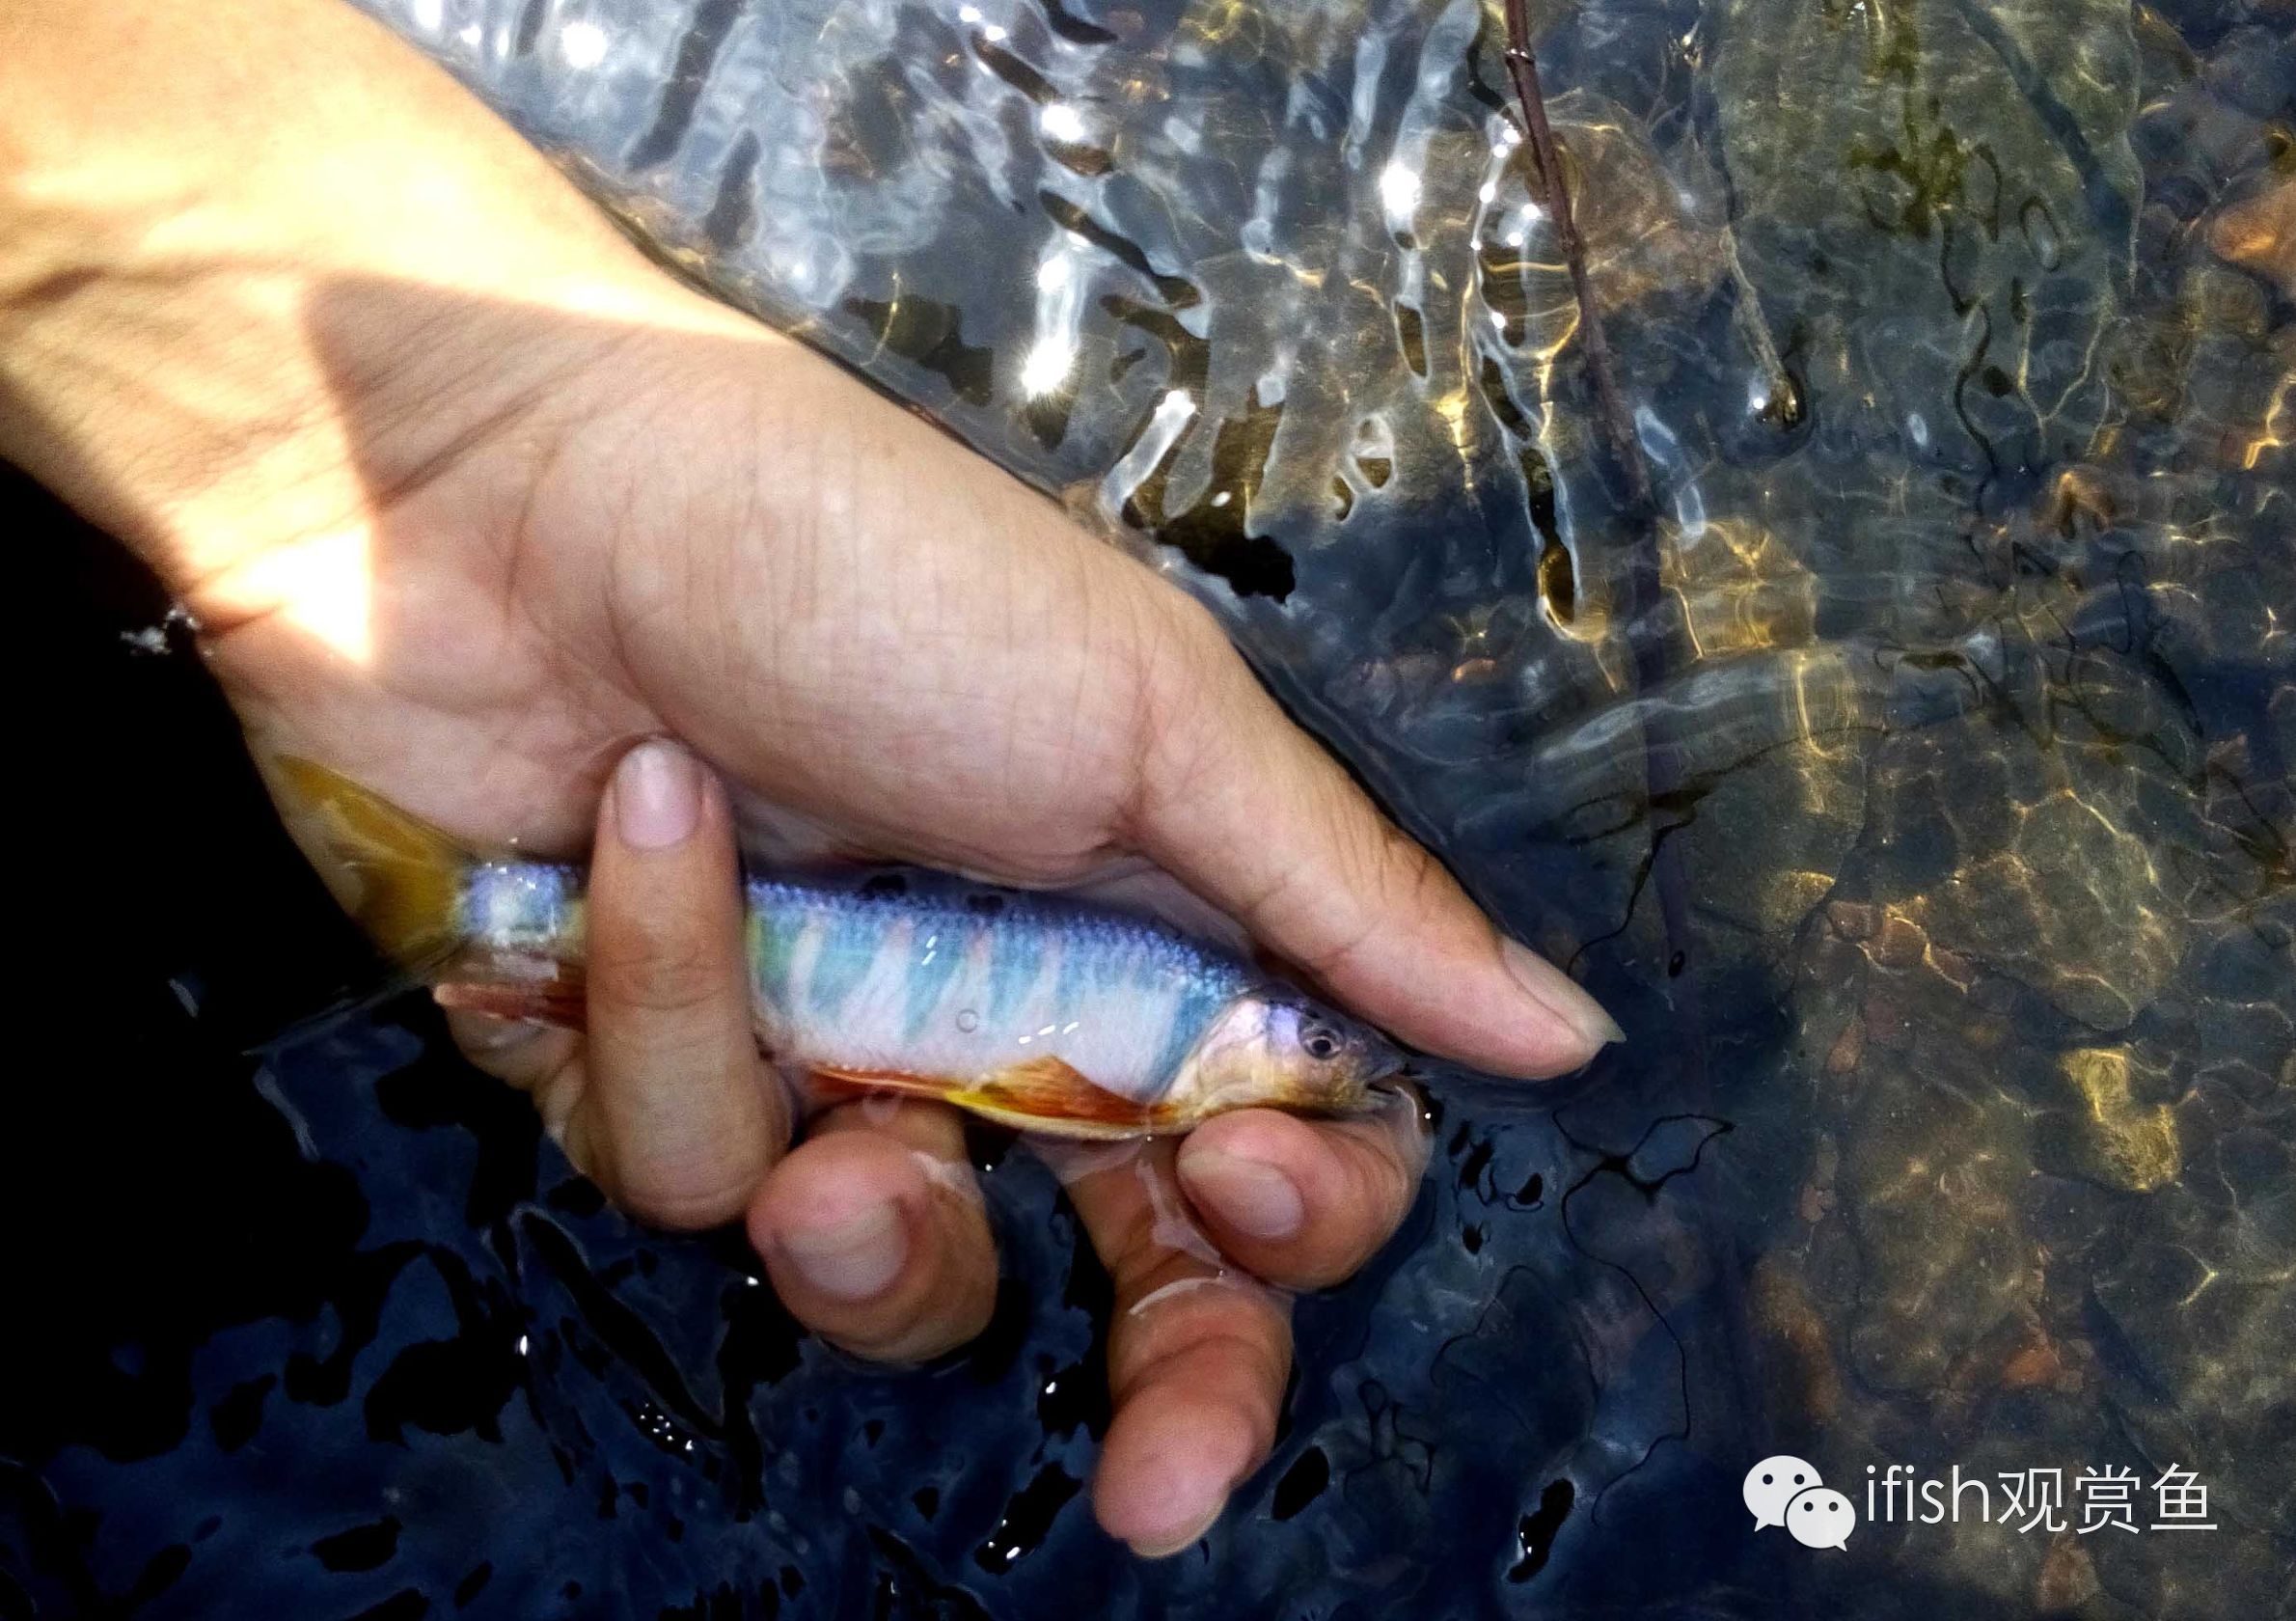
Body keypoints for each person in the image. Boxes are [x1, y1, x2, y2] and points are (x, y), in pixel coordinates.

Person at [0, 0, 1620, 1558]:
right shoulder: (1175, 1056)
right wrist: (488, 431)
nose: (1326, 1065)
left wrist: (422, 440)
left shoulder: (1186, 1059)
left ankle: (459, 926)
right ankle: (459, 918)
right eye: (1322, 1042)